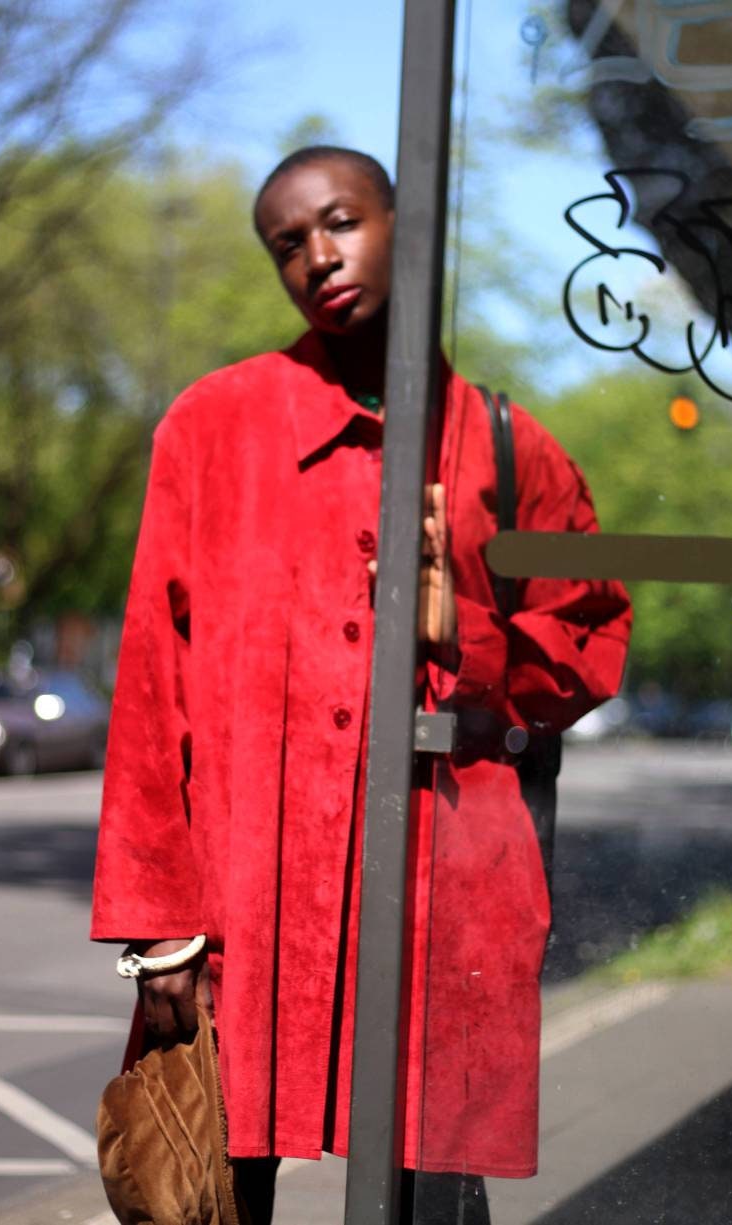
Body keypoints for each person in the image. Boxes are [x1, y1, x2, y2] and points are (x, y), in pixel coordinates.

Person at [92, 146, 632, 1225]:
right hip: (252, 905)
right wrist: (159, 927)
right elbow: (155, 689)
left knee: (435, 1201)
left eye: (339, 222)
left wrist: (461, 628)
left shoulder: (504, 447)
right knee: (219, 1185)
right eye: (287, 245)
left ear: (404, 224)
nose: (316, 257)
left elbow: (586, 648)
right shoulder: (212, 429)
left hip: (443, 900)